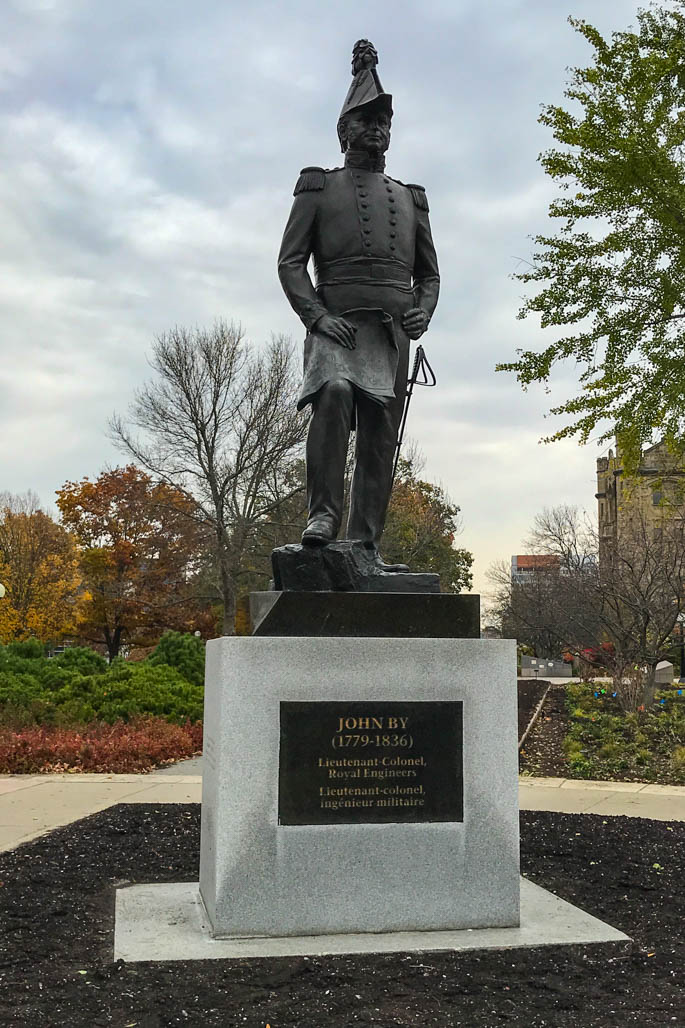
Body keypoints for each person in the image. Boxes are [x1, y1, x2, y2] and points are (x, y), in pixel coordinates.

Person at [278, 40, 439, 563]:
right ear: (344, 130)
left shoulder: (410, 198)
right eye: (366, 121)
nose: (377, 130)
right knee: (334, 396)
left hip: (390, 335)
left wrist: (423, 309)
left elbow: (430, 275)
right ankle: (322, 513)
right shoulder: (318, 188)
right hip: (337, 328)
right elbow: (290, 263)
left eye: (383, 123)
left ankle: (364, 540)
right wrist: (317, 317)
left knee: (378, 435)